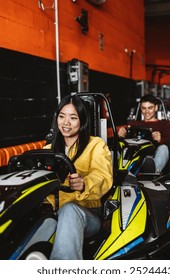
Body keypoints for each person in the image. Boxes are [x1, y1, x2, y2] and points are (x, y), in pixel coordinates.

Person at [25, 95, 113, 260]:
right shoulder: (48, 149)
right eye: (62, 116)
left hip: (86, 214)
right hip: (52, 212)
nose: (66, 122)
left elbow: (103, 176)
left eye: (73, 118)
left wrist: (84, 183)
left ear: (82, 121)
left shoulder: (96, 145)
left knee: (69, 210)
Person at [118, 94, 170, 173]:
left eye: (150, 108)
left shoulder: (165, 124)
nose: (146, 112)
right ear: (140, 108)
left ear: (156, 107)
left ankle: (152, 174)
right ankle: (120, 172)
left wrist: (160, 139)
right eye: (144, 108)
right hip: (136, 155)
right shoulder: (134, 124)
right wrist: (122, 135)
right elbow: (126, 141)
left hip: (153, 156)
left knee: (163, 148)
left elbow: (169, 141)